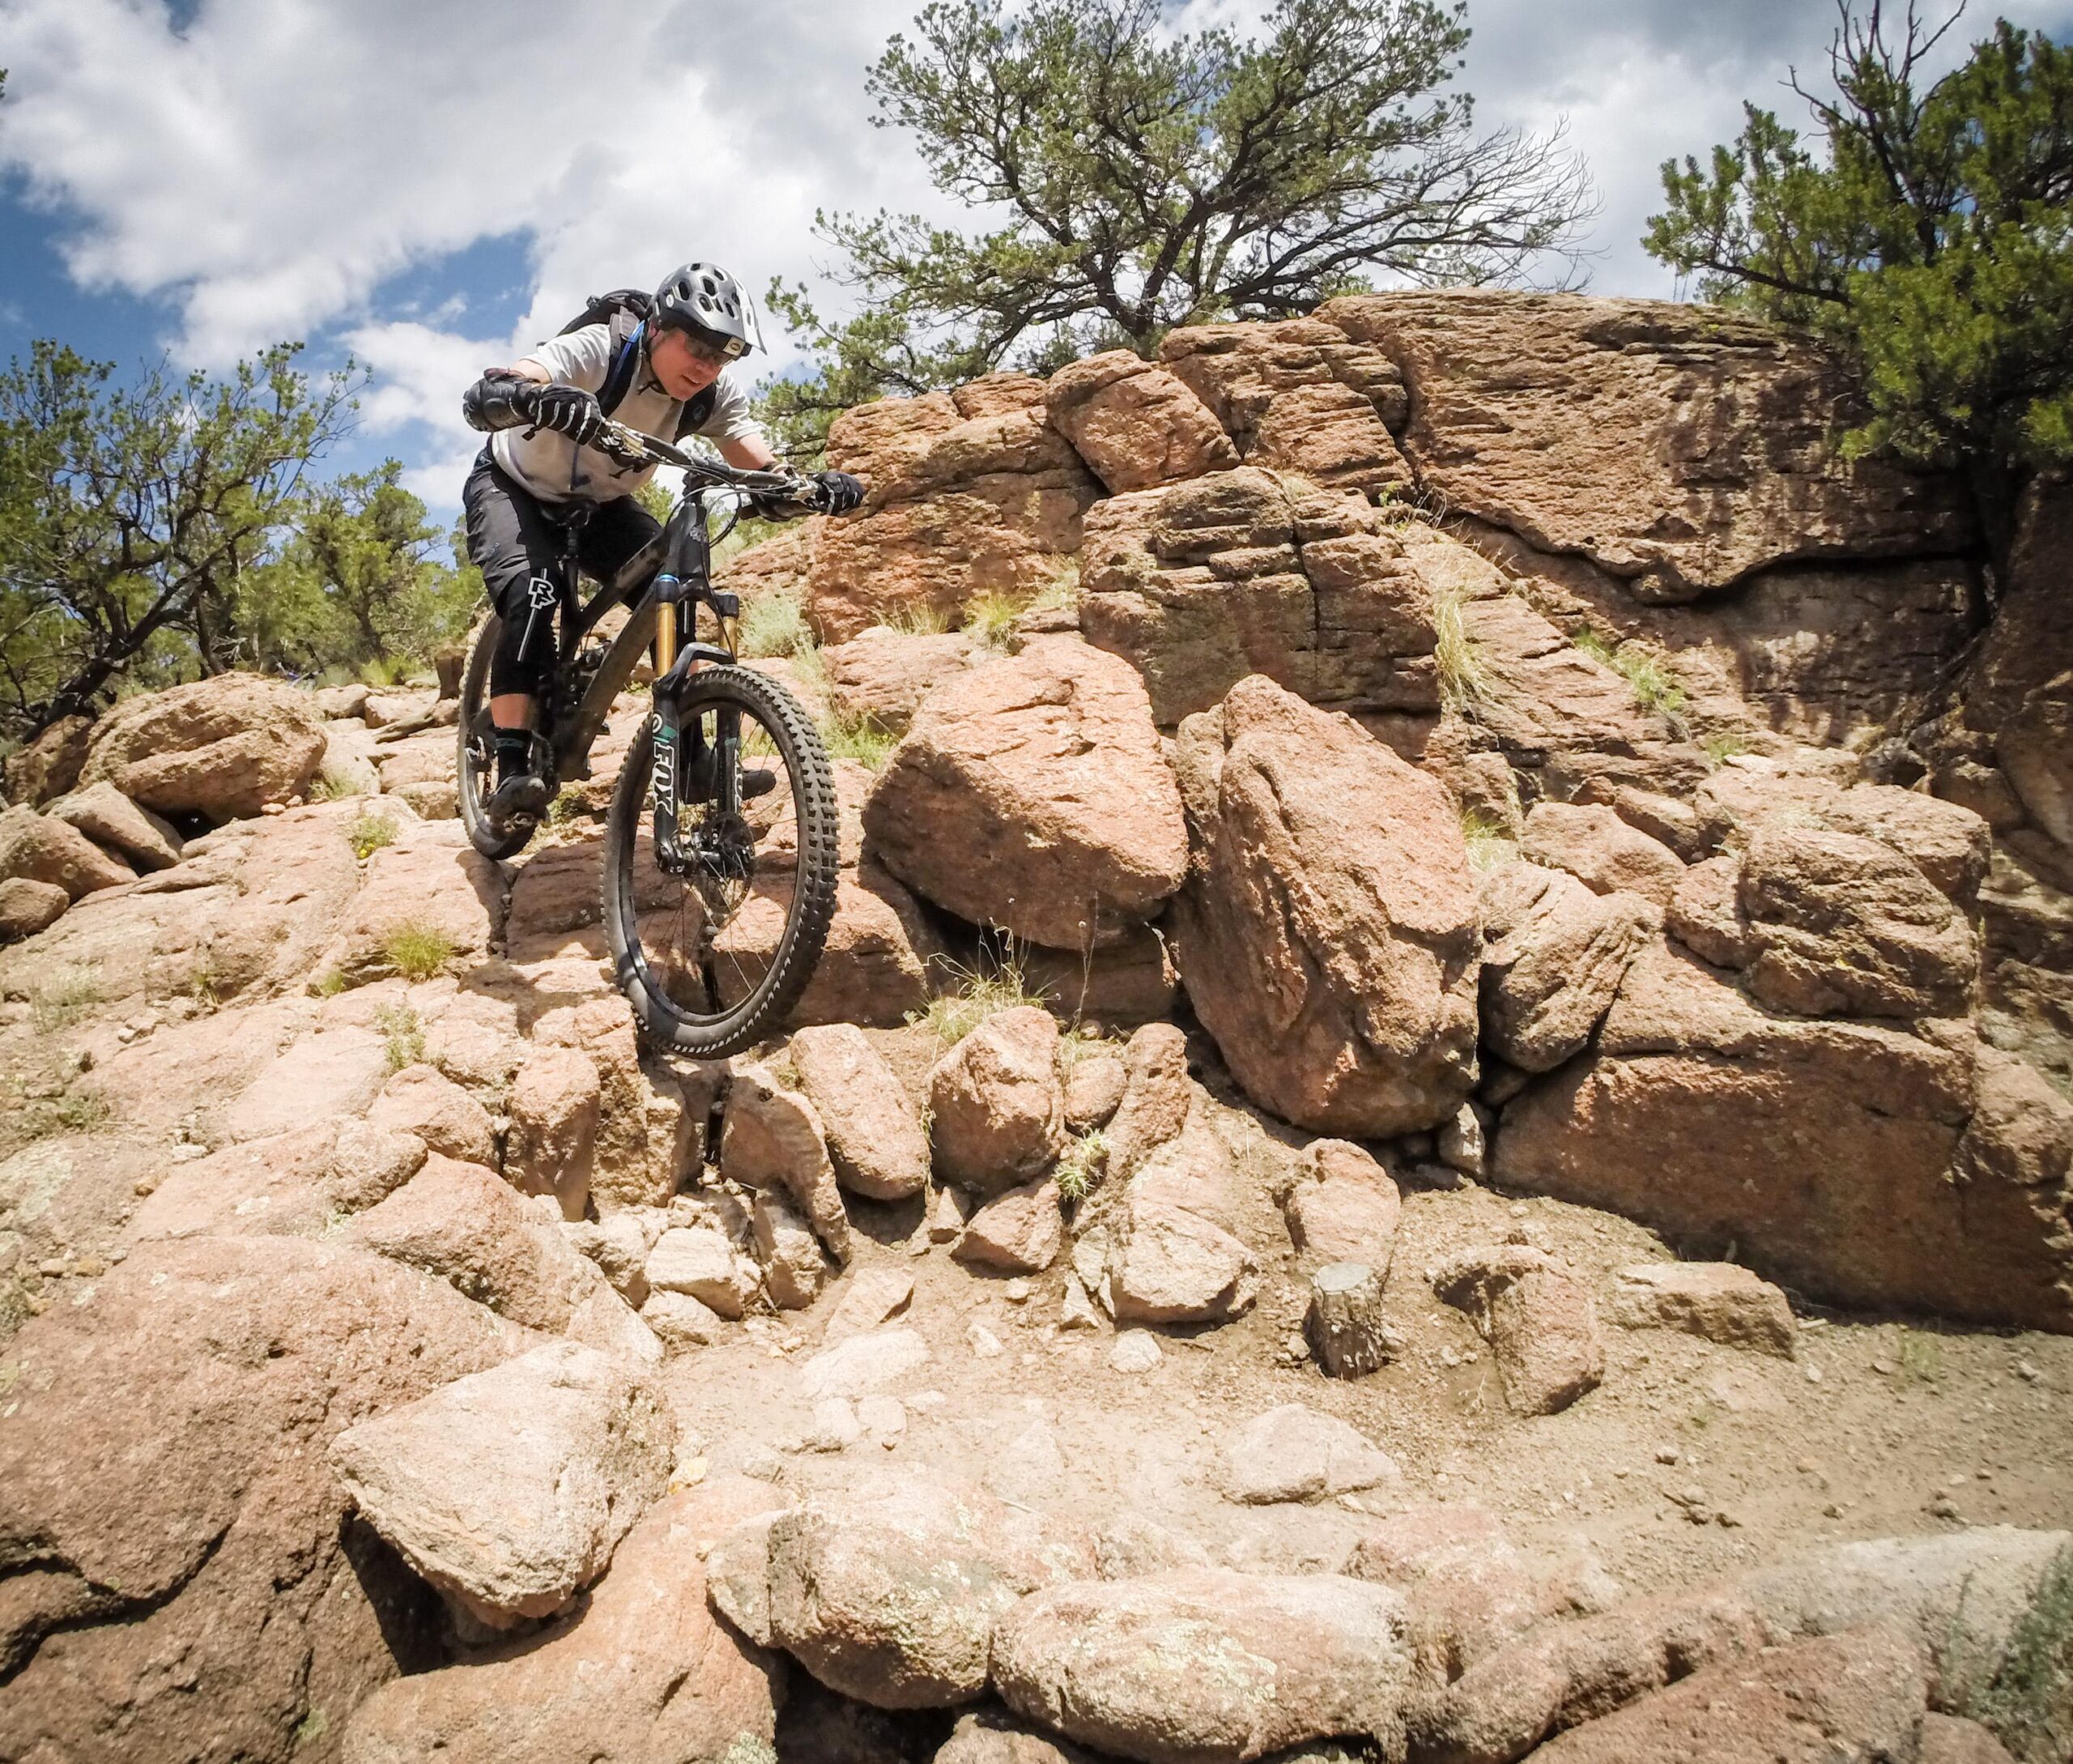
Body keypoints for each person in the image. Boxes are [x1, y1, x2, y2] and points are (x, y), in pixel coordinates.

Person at [458, 261, 862, 826]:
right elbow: (504, 383)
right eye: (695, 345)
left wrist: (810, 489)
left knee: (672, 593)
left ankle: (695, 760)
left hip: (603, 506)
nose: (705, 365)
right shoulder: (600, 349)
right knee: (533, 594)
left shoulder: (712, 398)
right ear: (656, 330)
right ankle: (509, 765)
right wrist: (531, 396)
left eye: (721, 355)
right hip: (513, 488)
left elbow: (763, 470)